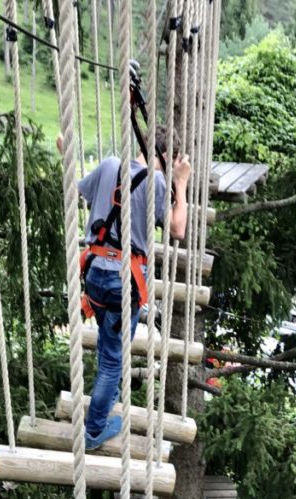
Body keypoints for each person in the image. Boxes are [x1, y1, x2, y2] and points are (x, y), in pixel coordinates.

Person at [57, 127, 191, 449]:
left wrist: (67, 156)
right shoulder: (157, 182)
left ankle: (105, 396)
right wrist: (181, 184)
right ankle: (94, 430)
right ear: (167, 158)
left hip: (94, 274)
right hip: (123, 282)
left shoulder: (108, 165)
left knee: (108, 341)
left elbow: (78, 190)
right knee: (113, 362)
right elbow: (177, 228)